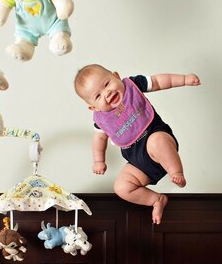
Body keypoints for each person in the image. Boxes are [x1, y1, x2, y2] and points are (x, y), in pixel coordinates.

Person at [74, 64, 200, 224]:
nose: (107, 93)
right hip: (139, 163)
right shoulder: (102, 121)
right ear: (93, 107)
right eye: (98, 96)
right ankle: (156, 200)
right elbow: (99, 140)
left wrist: (184, 79)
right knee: (121, 187)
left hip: (160, 141)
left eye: (107, 84)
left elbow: (159, 81)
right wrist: (99, 161)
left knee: (156, 142)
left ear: (116, 76)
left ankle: (176, 172)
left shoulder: (133, 86)